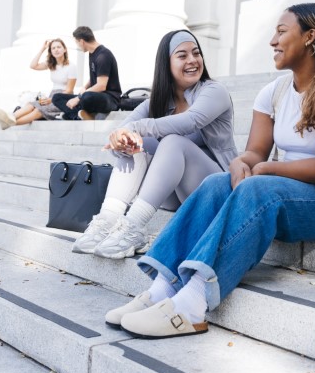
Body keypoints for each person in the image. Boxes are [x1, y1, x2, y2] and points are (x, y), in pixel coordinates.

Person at [105, 3, 315, 339]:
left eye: (282, 31)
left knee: (259, 189)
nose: (273, 40)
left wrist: (266, 168)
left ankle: (192, 306)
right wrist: (241, 162)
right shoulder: (273, 92)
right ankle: (162, 289)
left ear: (310, 37)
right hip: (286, 187)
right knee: (218, 182)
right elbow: (255, 152)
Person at [72, 29, 237, 260]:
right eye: (182, 55)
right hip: (175, 195)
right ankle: (108, 219)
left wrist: (137, 129)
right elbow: (126, 127)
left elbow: (190, 121)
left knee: (171, 141)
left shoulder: (213, 91)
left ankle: (133, 226)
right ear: (166, 64)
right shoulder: (158, 101)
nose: (192, 60)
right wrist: (121, 138)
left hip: (216, 189)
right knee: (134, 143)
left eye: (196, 53)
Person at [0, 39, 76, 130]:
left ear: (65, 49)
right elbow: (33, 66)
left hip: (63, 99)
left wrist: (51, 100)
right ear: (51, 52)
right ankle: (9, 117)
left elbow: (69, 90)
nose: (56, 50)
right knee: (31, 105)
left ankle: (10, 123)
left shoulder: (71, 66)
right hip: (52, 95)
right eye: (53, 48)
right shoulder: (51, 64)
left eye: (59, 47)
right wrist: (42, 49)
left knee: (38, 110)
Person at [52, 26, 122, 120]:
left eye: (77, 43)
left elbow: (101, 85)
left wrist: (79, 97)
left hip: (110, 99)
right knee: (56, 97)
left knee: (86, 97)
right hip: (93, 95)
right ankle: (77, 115)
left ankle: (73, 114)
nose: (78, 46)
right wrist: (84, 87)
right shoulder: (92, 53)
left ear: (81, 41)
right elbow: (96, 76)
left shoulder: (103, 56)